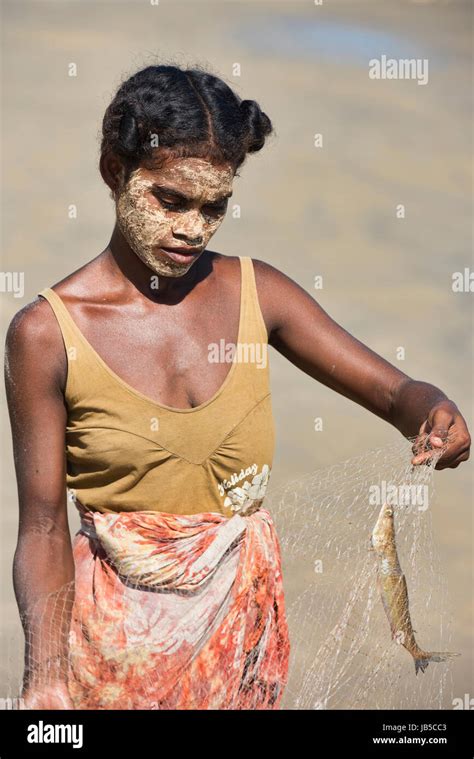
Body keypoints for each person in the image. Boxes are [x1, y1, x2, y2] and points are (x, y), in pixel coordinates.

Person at [4, 63, 470, 710]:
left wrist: (437, 411)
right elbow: (44, 528)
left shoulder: (260, 296)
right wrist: (46, 672)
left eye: (215, 206)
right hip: (109, 649)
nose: (194, 228)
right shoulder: (46, 335)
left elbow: (397, 396)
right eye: (171, 199)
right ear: (115, 171)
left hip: (239, 641)